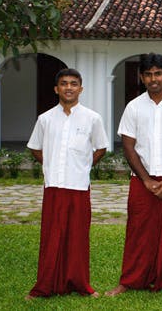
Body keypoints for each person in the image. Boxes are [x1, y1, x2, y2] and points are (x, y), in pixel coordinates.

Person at [106, 53, 162, 295]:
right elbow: (128, 145)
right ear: (142, 77)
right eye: (148, 74)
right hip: (142, 181)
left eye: (158, 73)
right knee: (138, 231)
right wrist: (145, 179)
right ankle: (130, 280)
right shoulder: (133, 107)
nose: (153, 79)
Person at [26, 68, 108, 300]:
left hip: (79, 186)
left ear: (81, 89)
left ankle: (80, 284)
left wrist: (83, 165)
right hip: (53, 186)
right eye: (64, 83)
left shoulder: (92, 118)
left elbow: (101, 148)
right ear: (56, 88)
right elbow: (35, 147)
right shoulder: (45, 119)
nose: (69, 87)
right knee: (51, 237)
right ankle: (45, 285)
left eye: (74, 83)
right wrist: (50, 163)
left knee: (78, 237)